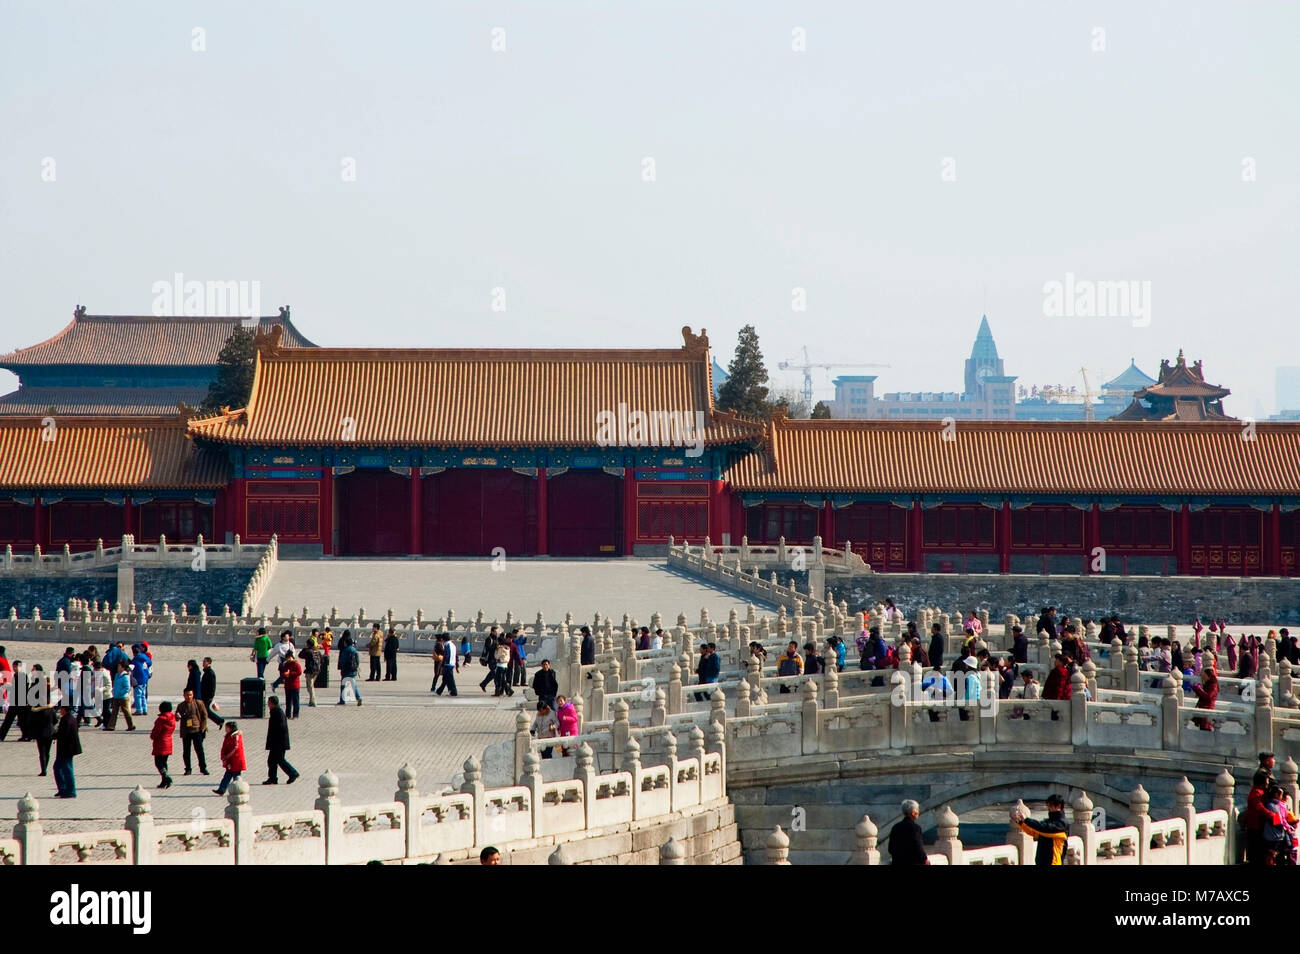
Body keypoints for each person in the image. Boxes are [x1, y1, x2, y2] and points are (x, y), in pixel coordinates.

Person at [1013, 794, 1069, 865]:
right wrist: (1020, 823)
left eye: (1050, 805)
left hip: (1053, 862)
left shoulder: (1062, 824)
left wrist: (1027, 820)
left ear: (1058, 806)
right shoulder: (1049, 821)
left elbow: (1043, 829)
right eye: (1048, 805)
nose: (1048, 808)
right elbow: (1035, 833)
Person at [263, 696, 299, 784]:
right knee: (272, 760)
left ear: (272, 703)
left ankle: (293, 773)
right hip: (276, 742)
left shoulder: (278, 713)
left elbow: (281, 728)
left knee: (280, 759)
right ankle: (272, 778)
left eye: (269, 702)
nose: (267, 704)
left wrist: (276, 740)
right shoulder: (275, 712)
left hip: (279, 743)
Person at [175, 688, 209, 775]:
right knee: (186, 751)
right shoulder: (181, 706)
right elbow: (177, 717)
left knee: (199, 750)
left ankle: (203, 768)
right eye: (186, 695)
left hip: (197, 730)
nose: (188, 697)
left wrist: (203, 728)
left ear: (193, 695)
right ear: (184, 696)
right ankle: (188, 768)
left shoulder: (198, 703)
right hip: (186, 731)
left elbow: (204, 715)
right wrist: (177, 716)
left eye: (190, 695)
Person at [888, 799, 929, 865]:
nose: (918, 812)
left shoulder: (895, 827)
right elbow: (918, 846)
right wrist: (924, 859)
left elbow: (890, 849)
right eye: (917, 810)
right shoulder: (915, 828)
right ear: (913, 812)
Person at [52, 704, 80, 798]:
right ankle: (63, 789)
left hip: (67, 749)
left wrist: (53, 734)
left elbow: (63, 735)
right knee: (58, 768)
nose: (60, 711)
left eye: (61, 709)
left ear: (65, 709)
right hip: (65, 749)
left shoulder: (67, 720)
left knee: (67, 770)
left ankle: (70, 791)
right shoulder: (68, 718)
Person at [213, 722, 246, 796]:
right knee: (227, 776)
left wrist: (227, 756)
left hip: (236, 760)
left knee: (236, 777)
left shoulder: (236, 736)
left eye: (226, 728)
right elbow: (224, 747)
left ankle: (237, 790)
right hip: (230, 760)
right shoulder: (228, 736)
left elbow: (236, 748)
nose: (225, 729)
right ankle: (221, 789)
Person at [150, 701, 176, 789]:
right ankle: (164, 781)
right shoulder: (172, 718)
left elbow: (156, 731)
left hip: (160, 743)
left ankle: (166, 777)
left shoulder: (161, 720)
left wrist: (152, 736)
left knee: (158, 762)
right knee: (164, 762)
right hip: (168, 742)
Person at [109, 662, 136, 731]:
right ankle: (111, 726)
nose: (118, 668)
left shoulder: (125, 676)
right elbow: (115, 684)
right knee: (114, 712)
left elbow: (127, 687)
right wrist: (114, 691)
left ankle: (131, 725)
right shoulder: (117, 675)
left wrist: (120, 693)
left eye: (119, 666)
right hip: (116, 696)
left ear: (123, 667)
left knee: (126, 712)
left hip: (123, 697)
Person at [337, 633, 362, 705]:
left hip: (346, 670)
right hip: (353, 670)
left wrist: (341, 667)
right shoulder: (354, 650)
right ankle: (358, 697)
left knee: (343, 686)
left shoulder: (345, 650)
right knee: (353, 685)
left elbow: (342, 661)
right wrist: (356, 666)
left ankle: (342, 700)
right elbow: (357, 660)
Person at [200, 657, 224, 726]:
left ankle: (219, 720)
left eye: (204, 661)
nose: (203, 663)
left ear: (208, 663)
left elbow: (212, 686)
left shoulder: (210, 673)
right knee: (204, 710)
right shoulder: (207, 672)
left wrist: (210, 696)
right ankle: (219, 721)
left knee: (205, 711)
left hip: (207, 696)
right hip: (205, 695)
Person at [1192, 666, 1218, 731]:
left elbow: (1208, 697)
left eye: (1204, 675)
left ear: (1208, 676)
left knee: (1206, 728)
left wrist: (1198, 690)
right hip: (1202, 709)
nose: (1203, 677)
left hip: (1207, 710)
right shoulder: (1207, 684)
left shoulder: (1213, 685)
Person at [129, 644, 152, 715]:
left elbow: (132, 670)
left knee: (138, 695)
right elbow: (150, 663)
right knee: (143, 695)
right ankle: (144, 709)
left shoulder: (135, 660)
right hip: (145, 679)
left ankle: (139, 710)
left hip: (138, 680)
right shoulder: (145, 657)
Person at [298, 640, 319, 708]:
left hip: (310, 670)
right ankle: (311, 700)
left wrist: (304, 649)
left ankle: (313, 701)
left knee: (310, 686)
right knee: (310, 686)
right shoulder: (317, 651)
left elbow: (300, 655)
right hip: (317, 670)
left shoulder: (307, 651)